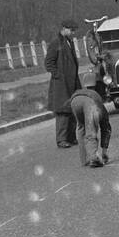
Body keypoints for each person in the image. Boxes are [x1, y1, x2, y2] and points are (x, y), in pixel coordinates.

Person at [44, 19, 82, 148]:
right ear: (64, 28)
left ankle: (71, 138)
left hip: (71, 83)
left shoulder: (68, 41)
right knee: (62, 113)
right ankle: (61, 140)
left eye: (73, 31)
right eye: (71, 30)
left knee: (72, 111)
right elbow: (49, 63)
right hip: (61, 84)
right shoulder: (56, 43)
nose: (72, 33)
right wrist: (59, 76)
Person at [67, 86, 112, 167]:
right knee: (91, 129)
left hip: (74, 100)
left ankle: (84, 160)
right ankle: (94, 158)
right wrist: (104, 153)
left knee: (81, 127)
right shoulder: (103, 112)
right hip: (89, 101)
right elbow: (106, 130)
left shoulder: (100, 106)